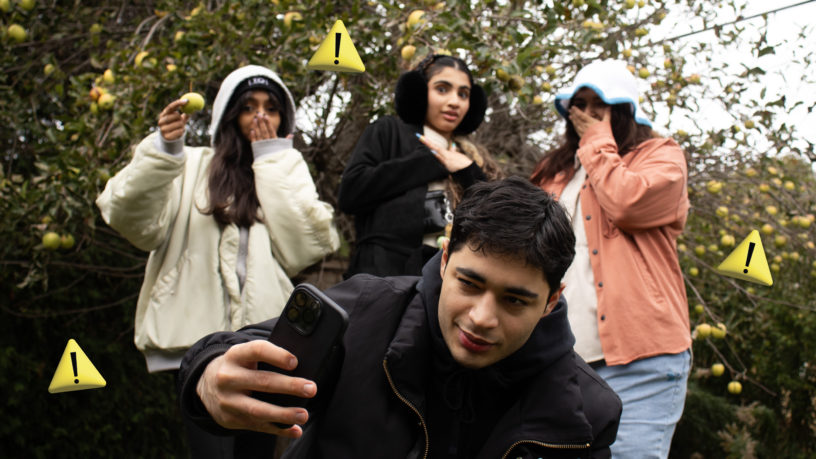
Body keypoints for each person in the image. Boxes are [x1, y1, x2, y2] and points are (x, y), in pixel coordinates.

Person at [178, 177, 622, 458]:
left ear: (551, 300)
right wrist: (208, 375)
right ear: (445, 259)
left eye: (514, 301)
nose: (482, 317)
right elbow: (232, 352)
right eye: (469, 284)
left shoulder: (587, 415)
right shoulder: (366, 311)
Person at [96, 65, 340, 373]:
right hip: (186, 344)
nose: (261, 116)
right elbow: (128, 216)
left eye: (271, 108)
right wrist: (164, 151)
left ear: (283, 120)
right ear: (230, 114)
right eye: (249, 107)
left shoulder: (283, 170)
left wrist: (272, 157)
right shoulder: (188, 165)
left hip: (264, 342)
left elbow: (309, 246)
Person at [530, 59, 691, 458]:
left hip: (642, 360)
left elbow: (626, 203)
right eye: (578, 105)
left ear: (623, 111)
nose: (586, 114)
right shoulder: (555, 171)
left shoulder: (661, 157)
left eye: (599, 105)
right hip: (563, 360)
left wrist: (598, 143)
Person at [337, 54, 502, 278]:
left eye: (463, 94)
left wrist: (469, 172)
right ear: (419, 92)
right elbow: (351, 192)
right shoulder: (388, 131)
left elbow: (496, 222)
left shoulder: (472, 158)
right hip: (380, 277)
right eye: (442, 89)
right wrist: (433, 161)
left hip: (442, 282)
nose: (454, 101)